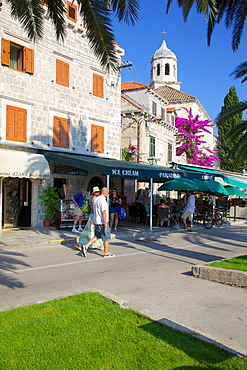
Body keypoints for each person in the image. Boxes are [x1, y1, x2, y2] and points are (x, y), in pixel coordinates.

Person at [76, 187, 115, 258]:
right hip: (102, 221)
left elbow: (94, 210)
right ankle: (106, 253)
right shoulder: (102, 200)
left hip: (96, 220)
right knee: (106, 237)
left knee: (97, 236)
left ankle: (86, 246)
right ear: (106, 192)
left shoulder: (95, 199)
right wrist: (106, 223)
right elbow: (103, 212)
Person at [75, 186, 103, 251]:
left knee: (89, 231)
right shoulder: (95, 199)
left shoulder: (92, 198)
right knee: (96, 231)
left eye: (98, 191)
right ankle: (99, 245)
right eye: (96, 192)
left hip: (92, 216)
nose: (98, 193)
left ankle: (81, 243)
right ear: (94, 193)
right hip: (95, 216)